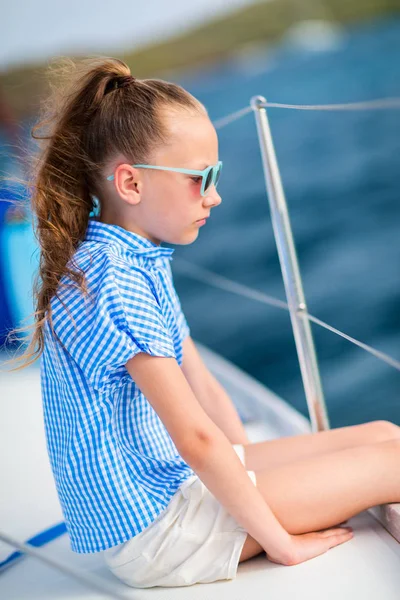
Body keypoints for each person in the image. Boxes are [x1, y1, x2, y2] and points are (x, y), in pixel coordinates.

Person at [7, 57, 400, 589]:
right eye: (201, 178)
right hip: (159, 531)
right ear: (130, 182)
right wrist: (280, 542)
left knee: (384, 434)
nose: (214, 195)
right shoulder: (111, 279)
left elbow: (202, 385)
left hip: (176, 488)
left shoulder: (135, 258)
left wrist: (252, 464)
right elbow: (194, 437)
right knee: (391, 465)